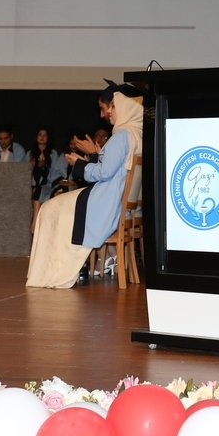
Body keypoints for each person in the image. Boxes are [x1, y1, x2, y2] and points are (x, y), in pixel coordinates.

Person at [27, 83, 143, 288]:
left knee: (50, 208)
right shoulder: (137, 134)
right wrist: (94, 156)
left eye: (112, 106)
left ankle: (52, 271)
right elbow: (113, 170)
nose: (107, 112)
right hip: (117, 202)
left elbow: (104, 173)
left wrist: (79, 164)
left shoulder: (122, 135)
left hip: (105, 203)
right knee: (56, 206)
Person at [29, 129, 57, 203]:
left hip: (47, 184)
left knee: (37, 190)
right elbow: (26, 172)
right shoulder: (30, 153)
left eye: (45, 135)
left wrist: (44, 166)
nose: (42, 137)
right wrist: (32, 166)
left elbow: (54, 171)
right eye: (40, 135)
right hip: (32, 183)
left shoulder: (53, 153)